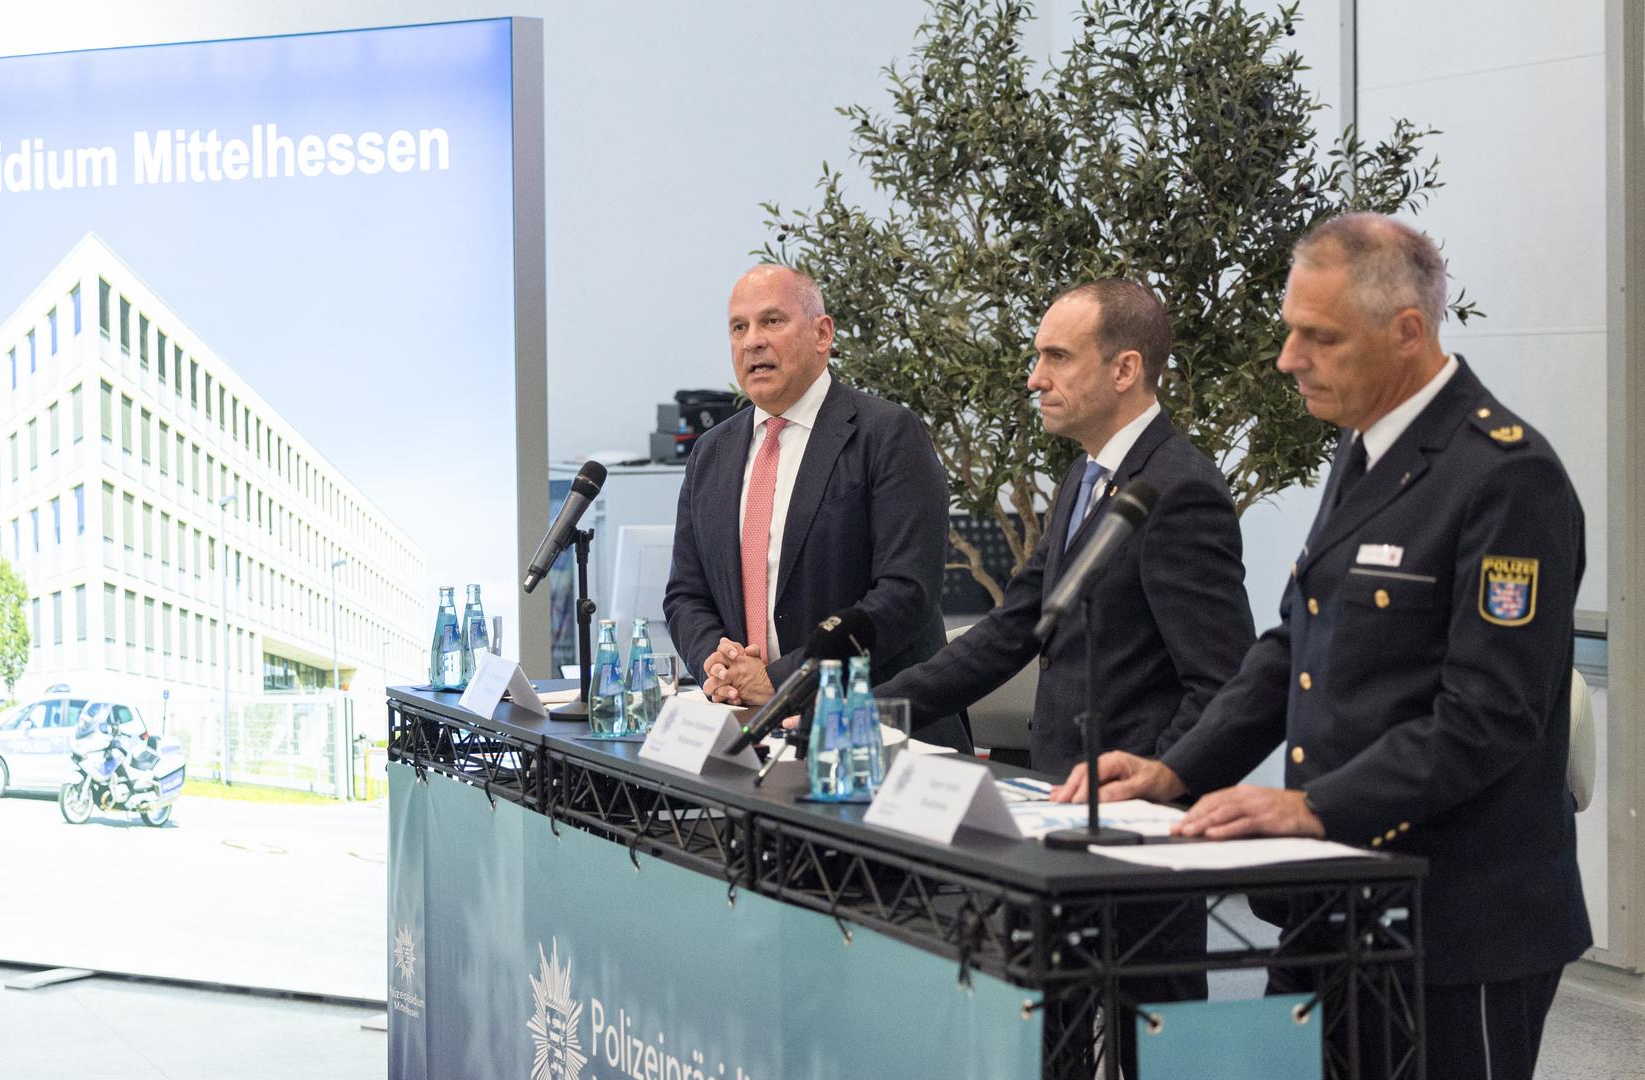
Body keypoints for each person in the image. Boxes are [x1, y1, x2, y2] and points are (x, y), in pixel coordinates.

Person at [1054, 213, 1591, 1080]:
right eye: (1289, 329)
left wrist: (1312, 806)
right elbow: (1288, 647)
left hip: (1461, 921)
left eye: (1319, 336)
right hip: (1340, 899)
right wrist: (1175, 768)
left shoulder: (1505, 476)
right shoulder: (1364, 451)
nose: (1287, 358)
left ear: (1407, 333)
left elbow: (1490, 715)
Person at [879, 279, 1255, 1076]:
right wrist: (874, 709)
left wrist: (1156, 780)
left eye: (1056, 356)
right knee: (1053, 1039)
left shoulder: (1177, 489)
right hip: (1057, 816)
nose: (1034, 376)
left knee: (1148, 1050)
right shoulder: (1086, 478)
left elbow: (1221, 677)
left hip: (1134, 833)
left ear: (1124, 370)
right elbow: (1016, 628)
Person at [662, 264, 968, 751]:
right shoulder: (711, 452)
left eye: (772, 322)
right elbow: (686, 593)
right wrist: (717, 666)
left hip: (877, 733)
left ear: (822, 334)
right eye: (738, 328)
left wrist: (783, 678)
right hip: (751, 730)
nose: (752, 342)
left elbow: (904, 595)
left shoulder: (887, 435)